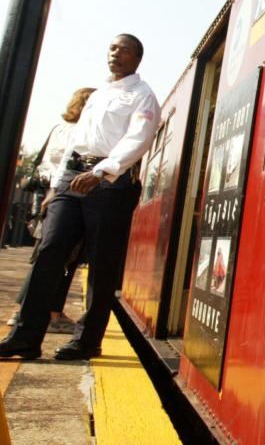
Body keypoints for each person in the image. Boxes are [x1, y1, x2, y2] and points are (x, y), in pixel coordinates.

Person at [0, 34, 159, 361]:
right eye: (112, 48)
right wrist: (57, 187)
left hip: (110, 184)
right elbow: (77, 140)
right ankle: (26, 337)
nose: (115, 54)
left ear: (137, 59)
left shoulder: (143, 97)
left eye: (123, 50)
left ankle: (88, 340)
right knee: (49, 249)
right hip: (74, 178)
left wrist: (102, 171)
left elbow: (138, 139)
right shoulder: (98, 95)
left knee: (102, 263)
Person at [7, 87, 96, 333]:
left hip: (49, 195)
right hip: (67, 195)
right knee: (64, 258)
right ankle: (49, 313)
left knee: (46, 255)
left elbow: (43, 163)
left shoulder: (59, 129)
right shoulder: (84, 132)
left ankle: (28, 311)